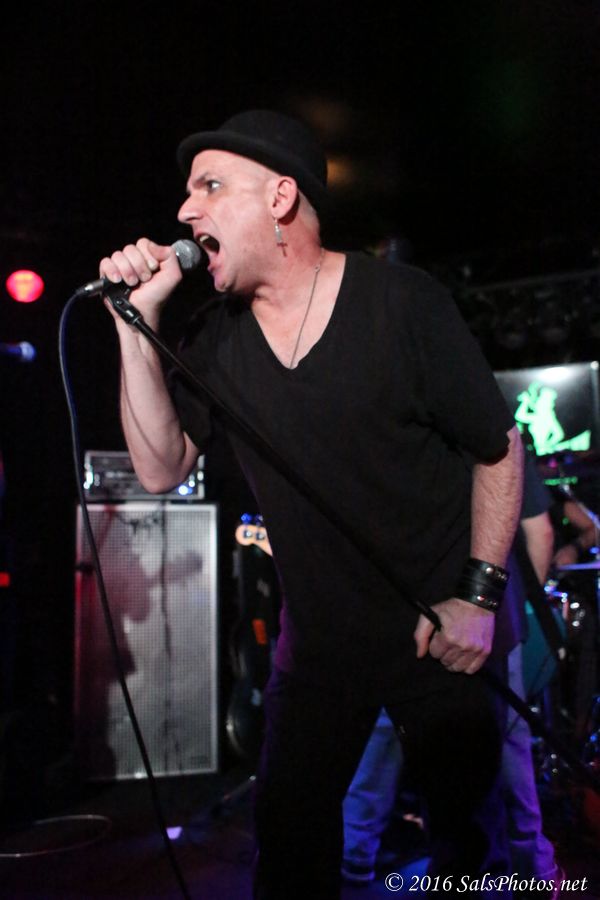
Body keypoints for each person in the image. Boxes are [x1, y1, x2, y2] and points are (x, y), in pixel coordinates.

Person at [97, 109, 524, 899]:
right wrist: (134, 320)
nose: (185, 210)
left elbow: (498, 448)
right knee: (290, 847)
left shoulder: (401, 303)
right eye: (188, 192)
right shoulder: (213, 340)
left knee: (467, 849)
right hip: (320, 644)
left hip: (436, 627)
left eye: (210, 186)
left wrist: (477, 598)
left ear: (281, 198)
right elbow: (159, 468)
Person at [342, 453, 563, 896]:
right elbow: (538, 530)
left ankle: (354, 860)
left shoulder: (394, 441)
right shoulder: (491, 435)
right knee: (505, 753)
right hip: (488, 628)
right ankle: (531, 870)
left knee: (384, 740)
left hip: (407, 621)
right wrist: (514, 611)